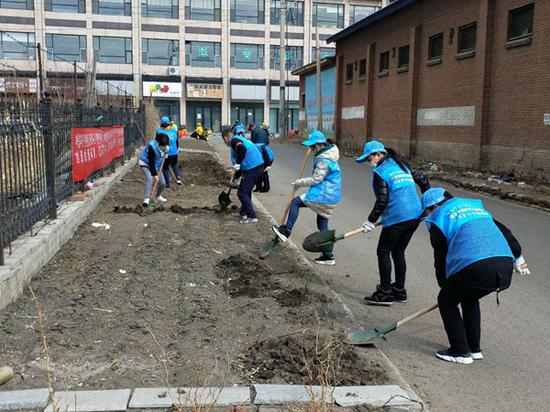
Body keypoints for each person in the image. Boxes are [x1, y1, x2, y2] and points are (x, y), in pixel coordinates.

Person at [421, 187, 529, 364]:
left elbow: (440, 258)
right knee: (469, 298)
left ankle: (459, 351)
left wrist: (445, 287)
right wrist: (518, 256)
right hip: (503, 264)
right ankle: (473, 349)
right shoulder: (474, 208)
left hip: (476, 266)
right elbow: (505, 232)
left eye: (425, 213)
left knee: (446, 301)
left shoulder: (439, 219)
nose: (426, 218)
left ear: (431, 207)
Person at [355, 140, 430, 306]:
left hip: (398, 217)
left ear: (378, 155)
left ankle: (385, 292)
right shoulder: (402, 165)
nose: (370, 163)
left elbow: (382, 200)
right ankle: (400, 291)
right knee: (398, 252)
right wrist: (427, 204)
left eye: (369, 159)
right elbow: (423, 179)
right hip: (415, 216)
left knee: (383, 251)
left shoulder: (381, 172)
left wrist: (370, 221)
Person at [272, 131, 342, 265]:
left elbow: (316, 179)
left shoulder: (324, 159)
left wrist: (300, 182)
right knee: (322, 223)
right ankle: (328, 256)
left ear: (318, 144)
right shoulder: (330, 152)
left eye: (312, 145)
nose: (310, 148)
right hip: (333, 195)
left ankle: (286, 231)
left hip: (324, 194)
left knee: (295, 203)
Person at [222, 125, 265, 224]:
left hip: (253, 167)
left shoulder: (234, 141)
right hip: (256, 166)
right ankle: (243, 213)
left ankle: (252, 216)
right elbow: (241, 166)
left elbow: (242, 149)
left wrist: (237, 163)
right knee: (246, 190)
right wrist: (235, 178)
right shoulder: (239, 138)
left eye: (224, 141)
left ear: (225, 138)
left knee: (242, 192)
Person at [138, 131, 169, 207]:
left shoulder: (166, 145)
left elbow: (162, 154)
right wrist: (154, 174)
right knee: (150, 179)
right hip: (145, 163)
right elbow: (151, 162)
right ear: (158, 143)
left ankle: (158, 196)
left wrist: (165, 155)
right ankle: (146, 199)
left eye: (165, 145)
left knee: (163, 183)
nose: (164, 147)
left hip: (156, 165)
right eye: (163, 145)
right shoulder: (152, 147)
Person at [157, 116, 182, 188]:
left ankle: (167, 183)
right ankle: (178, 178)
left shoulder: (159, 131)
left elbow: (157, 143)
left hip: (165, 153)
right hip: (174, 152)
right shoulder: (174, 131)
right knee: (174, 164)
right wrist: (176, 150)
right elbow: (177, 142)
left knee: (165, 167)